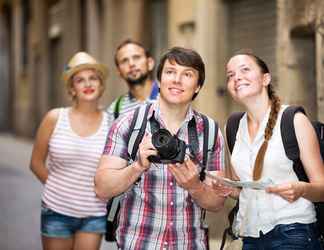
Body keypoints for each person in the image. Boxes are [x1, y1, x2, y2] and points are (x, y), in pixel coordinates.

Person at [95, 47, 228, 249]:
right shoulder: (128, 124)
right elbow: (101, 188)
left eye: (187, 74)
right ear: (159, 80)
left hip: (190, 244)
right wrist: (137, 167)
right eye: (170, 72)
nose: (177, 80)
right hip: (138, 244)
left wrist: (195, 186)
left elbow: (217, 203)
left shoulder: (209, 132)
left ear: (198, 86)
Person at [223, 51, 324, 249]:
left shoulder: (294, 120)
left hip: (294, 232)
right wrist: (225, 188)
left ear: (265, 78)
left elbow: (322, 188)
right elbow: (242, 188)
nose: (237, 78)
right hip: (249, 236)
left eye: (245, 70)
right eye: (230, 75)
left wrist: (301, 189)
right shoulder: (233, 126)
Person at [30, 52, 109, 250]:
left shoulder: (112, 123)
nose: (87, 84)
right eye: (80, 80)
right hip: (56, 209)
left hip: (94, 213)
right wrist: (58, 188)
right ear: (72, 89)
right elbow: (36, 163)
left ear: (100, 85)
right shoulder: (54, 118)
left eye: (93, 78)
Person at [106, 39, 159, 126]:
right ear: (118, 71)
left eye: (136, 57)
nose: (131, 64)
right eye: (124, 61)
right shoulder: (115, 110)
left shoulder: (171, 96)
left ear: (150, 63)